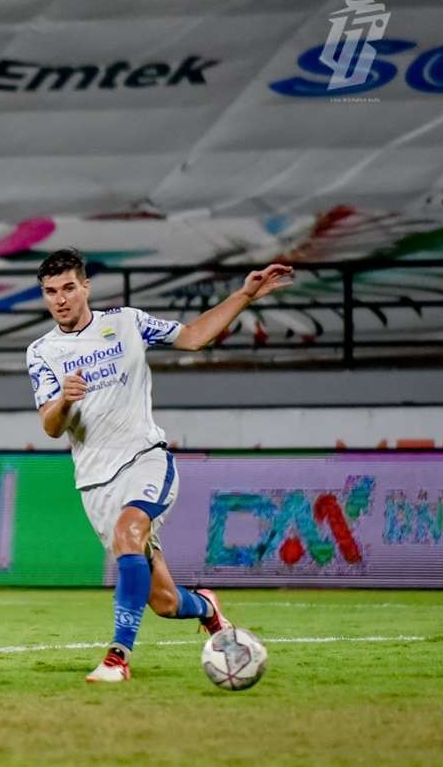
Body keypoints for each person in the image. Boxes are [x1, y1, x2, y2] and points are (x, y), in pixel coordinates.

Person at [26, 248, 293, 682]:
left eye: (69, 288)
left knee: (129, 532)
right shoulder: (41, 352)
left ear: (86, 286)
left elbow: (192, 336)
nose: (61, 299)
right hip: (94, 482)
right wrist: (64, 400)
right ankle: (207, 606)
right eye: (51, 292)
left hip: (144, 459)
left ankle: (118, 658)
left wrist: (244, 296)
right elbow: (51, 427)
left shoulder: (127, 322)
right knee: (165, 602)